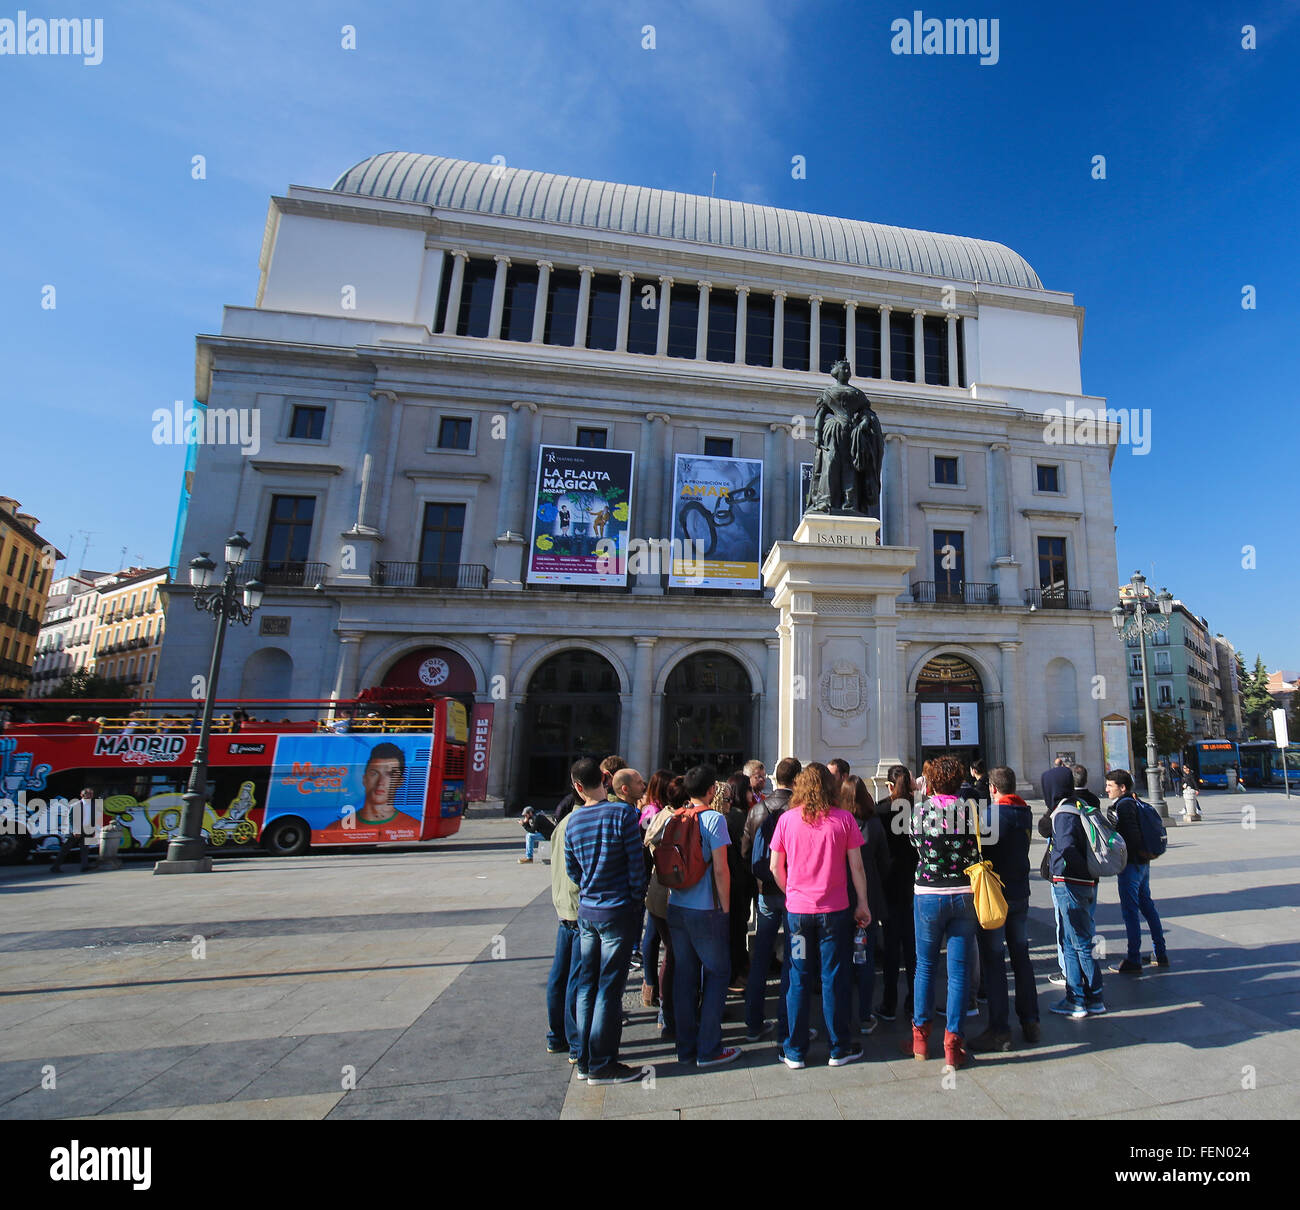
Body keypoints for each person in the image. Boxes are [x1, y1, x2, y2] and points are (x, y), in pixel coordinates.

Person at [769, 762, 870, 1069]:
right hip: (834, 911)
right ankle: (838, 1047)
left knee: (798, 977)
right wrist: (862, 903)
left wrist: (792, 893)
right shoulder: (844, 820)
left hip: (798, 913)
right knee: (833, 977)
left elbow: (775, 866)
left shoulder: (786, 820)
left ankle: (795, 1050)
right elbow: (857, 867)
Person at [564, 756, 647, 1084]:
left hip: (588, 910)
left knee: (588, 985)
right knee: (609, 988)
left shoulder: (573, 822)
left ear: (578, 787)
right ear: (604, 778)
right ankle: (602, 1063)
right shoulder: (622, 814)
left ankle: (584, 1060)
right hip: (617, 909)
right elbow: (635, 862)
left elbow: (573, 870)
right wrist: (635, 897)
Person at [665, 764, 742, 1068]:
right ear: (712, 790)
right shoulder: (714, 819)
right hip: (705, 909)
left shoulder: (676, 816)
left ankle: (685, 1047)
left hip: (677, 906)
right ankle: (708, 1047)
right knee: (717, 973)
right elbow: (721, 869)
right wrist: (724, 906)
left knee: (684, 977)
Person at [908, 754, 981, 1072]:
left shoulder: (920, 812)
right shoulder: (970, 812)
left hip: (928, 893)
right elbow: (978, 847)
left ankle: (920, 1040)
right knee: (959, 971)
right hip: (963, 892)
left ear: (933, 782)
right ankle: (953, 1042)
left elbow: (916, 844)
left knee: (924, 966)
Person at [969, 767, 1039, 1051]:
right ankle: (1031, 1020)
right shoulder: (1025, 813)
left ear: (993, 789)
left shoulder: (991, 817)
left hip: (996, 897)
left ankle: (999, 1028)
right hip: (1020, 894)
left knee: (995, 961)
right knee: (1021, 957)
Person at [744, 756, 800, 1042]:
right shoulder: (798, 810)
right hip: (792, 892)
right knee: (794, 957)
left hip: (766, 892)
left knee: (761, 956)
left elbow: (745, 852)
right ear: (797, 779)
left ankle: (753, 1021)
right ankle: (786, 1025)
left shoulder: (757, 810)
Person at [1044, 764, 1106, 1019]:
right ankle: (1085, 996)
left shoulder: (1063, 813)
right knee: (1076, 940)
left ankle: (1085, 997)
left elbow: (1067, 847)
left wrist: (1060, 868)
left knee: (1076, 942)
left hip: (1070, 883)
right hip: (1085, 883)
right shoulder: (1081, 806)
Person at [1106, 768, 1169, 973]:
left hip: (1131, 864)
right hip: (1142, 863)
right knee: (1147, 906)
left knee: (1130, 911)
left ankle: (1133, 958)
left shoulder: (1123, 806)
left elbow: (1130, 838)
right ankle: (1160, 952)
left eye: (1110, 786)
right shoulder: (1135, 802)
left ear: (1122, 788)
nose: (1107, 789)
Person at [842, 774, 891, 1034]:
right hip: (868, 899)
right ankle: (864, 1013)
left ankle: (843, 1012)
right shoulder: (873, 824)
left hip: (840, 899)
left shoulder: (837, 822)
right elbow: (885, 864)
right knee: (865, 955)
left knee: (842, 956)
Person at [546, 796, 583, 1062]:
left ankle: (556, 1036)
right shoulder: (582, 822)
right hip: (580, 908)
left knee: (559, 976)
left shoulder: (561, 825)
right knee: (577, 979)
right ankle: (576, 1044)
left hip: (563, 908)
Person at [319, 742, 421, 840]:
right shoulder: (336, 828)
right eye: (374, 773)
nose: (381, 782)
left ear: (400, 781)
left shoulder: (415, 825)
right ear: (364, 779)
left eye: (390, 775)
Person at [878, 765, 917, 1022]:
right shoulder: (921, 809)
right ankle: (915, 1000)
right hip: (916, 881)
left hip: (890, 881)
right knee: (914, 947)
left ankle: (889, 1002)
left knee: (891, 945)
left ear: (890, 785)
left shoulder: (880, 810)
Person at [637, 769, 673, 1009]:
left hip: (653, 879)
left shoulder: (651, 811)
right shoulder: (654, 813)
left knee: (652, 933)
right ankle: (654, 984)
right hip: (658, 879)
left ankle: (651, 985)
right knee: (656, 937)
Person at [722, 771, 756, 988]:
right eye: (749, 789)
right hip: (740, 881)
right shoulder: (741, 818)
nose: (753, 793)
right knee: (737, 928)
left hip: (731, 881)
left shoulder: (727, 817)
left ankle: (737, 969)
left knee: (735, 928)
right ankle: (737, 973)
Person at [49, 788, 96, 874]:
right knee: (65, 849)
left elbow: (92, 819)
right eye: (88, 794)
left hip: (86, 830)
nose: (90, 795)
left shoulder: (93, 805)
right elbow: (70, 819)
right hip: (74, 832)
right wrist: (75, 830)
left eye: (91, 794)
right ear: (82, 795)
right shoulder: (76, 805)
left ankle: (85, 867)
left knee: (85, 850)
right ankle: (55, 867)